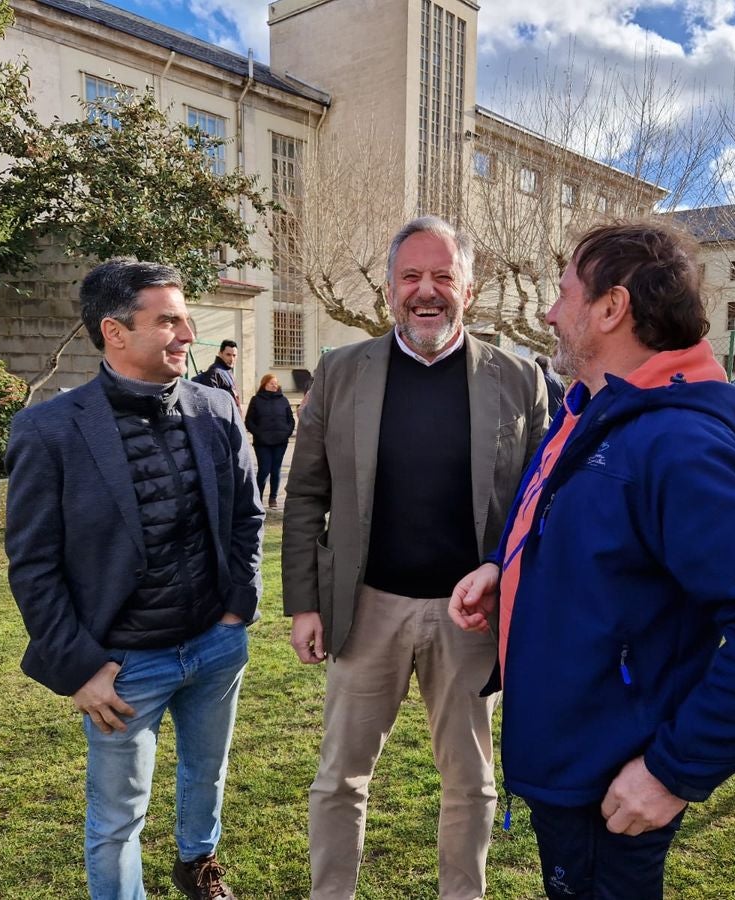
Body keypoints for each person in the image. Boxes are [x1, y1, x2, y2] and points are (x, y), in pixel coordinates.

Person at [449, 221, 735, 900]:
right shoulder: (589, 415)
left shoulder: (673, 445)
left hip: (612, 791)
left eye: (564, 291)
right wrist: (502, 567)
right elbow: (573, 533)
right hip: (572, 763)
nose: (549, 310)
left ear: (611, 307)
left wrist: (670, 772)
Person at [282, 215, 549, 900]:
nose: (425, 291)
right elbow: (307, 491)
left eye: (441, 276)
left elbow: (540, 502)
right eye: (411, 277)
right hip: (364, 608)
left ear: (469, 285)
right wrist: (305, 603)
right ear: (390, 287)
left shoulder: (520, 378)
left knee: (471, 782)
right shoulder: (344, 371)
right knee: (340, 777)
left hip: (471, 620)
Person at [4, 258, 264, 900]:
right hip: (121, 669)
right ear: (114, 331)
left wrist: (236, 612)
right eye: (168, 320)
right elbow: (33, 563)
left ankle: (197, 865)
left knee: (207, 775)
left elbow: (245, 516)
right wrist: (79, 668)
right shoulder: (50, 430)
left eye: (185, 318)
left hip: (214, 646)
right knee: (118, 818)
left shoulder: (216, 411)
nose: (187, 333)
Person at [244, 373, 295, 509]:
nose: (274, 385)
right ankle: (258, 497)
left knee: (276, 470)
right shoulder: (256, 400)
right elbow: (249, 421)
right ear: (264, 384)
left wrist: (287, 432)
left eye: (276, 383)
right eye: (271, 383)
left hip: (280, 441)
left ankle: (273, 498)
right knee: (264, 470)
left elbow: (290, 419)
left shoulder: (283, 400)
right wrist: (258, 433)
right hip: (262, 443)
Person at [193, 339, 241, 407]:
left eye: (234, 355)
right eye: (228, 355)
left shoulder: (227, 371)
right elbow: (212, 403)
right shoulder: (215, 372)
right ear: (220, 354)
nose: (232, 359)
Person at [535, 354, 565, 418]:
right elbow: (563, 400)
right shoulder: (558, 381)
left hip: (540, 417)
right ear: (548, 366)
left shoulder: (535, 379)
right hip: (556, 417)